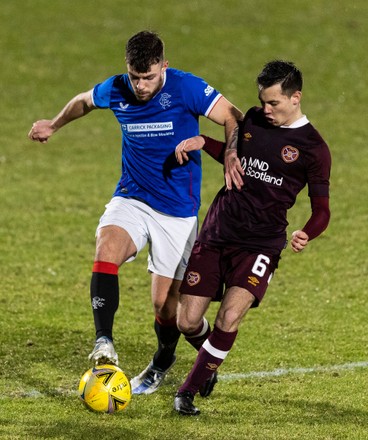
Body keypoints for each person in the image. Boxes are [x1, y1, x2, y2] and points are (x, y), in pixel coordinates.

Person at [28, 30, 242, 395]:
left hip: (177, 212)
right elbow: (83, 101)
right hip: (132, 197)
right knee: (106, 247)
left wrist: (233, 152)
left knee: (166, 309)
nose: (141, 86)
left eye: (149, 77)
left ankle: (165, 359)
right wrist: (54, 123)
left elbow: (233, 115)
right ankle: (104, 342)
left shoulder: (186, 88)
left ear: (164, 67)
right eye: (135, 76)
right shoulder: (116, 88)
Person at [172, 60, 331, 415]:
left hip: (261, 245)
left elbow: (322, 209)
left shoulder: (313, 148)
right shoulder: (254, 122)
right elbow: (236, 160)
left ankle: (187, 391)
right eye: (262, 101)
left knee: (229, 318)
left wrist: (308, 231)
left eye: (273, 102)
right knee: (186, 321)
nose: (265, 109)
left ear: (296, 98)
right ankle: (207, 362)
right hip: (217, 232)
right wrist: (204, 142)